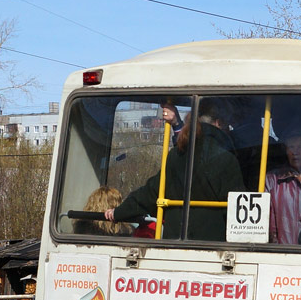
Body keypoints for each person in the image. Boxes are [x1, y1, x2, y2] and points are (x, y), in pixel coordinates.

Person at [104, 100, 246, 240]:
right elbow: (238, 208)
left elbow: (152, 191)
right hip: (214, 246)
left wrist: (119, 212)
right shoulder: (226, 158)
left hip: (174, 243)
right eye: (227, 125)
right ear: (219, 123)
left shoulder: (177, 154)